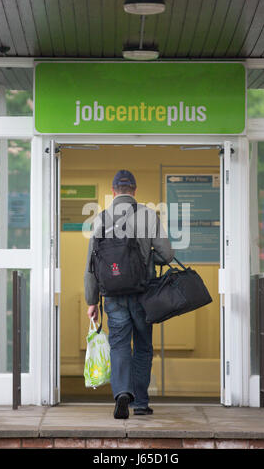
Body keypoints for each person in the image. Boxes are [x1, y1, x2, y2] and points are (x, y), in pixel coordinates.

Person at [84, 169, 174, 419]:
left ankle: (122, 393)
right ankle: (141, 403)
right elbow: (166, 255)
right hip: (144, 294)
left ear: (113, 191)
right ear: (134, 190)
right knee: (143, 347)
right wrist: (147, 260)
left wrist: (91, 301)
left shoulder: (100, 219)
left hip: (112, 296)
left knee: (119, 344)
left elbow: (91, 265)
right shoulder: (148, 215)